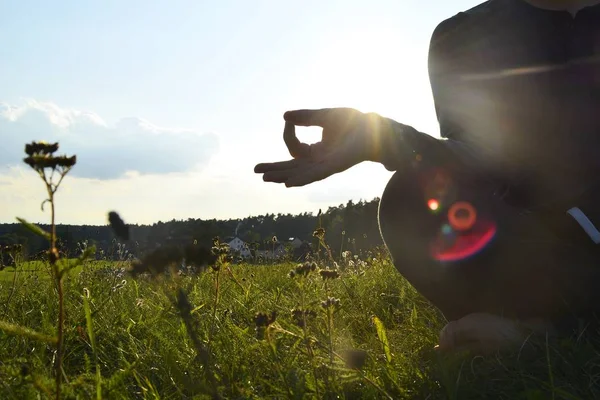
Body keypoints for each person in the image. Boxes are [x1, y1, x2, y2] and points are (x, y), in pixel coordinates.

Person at [255, 0, 600, 353]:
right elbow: (480, 160)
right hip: (535, 245)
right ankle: (545, 320)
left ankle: (547, 330)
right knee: (408, 198)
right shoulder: (462, 35)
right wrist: (383, 138)